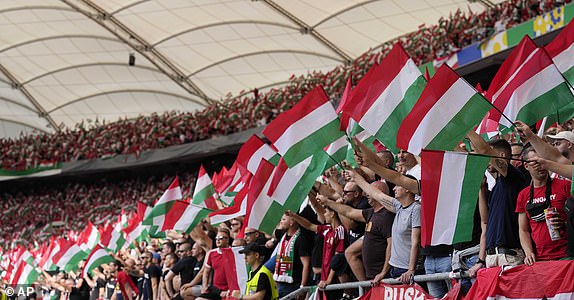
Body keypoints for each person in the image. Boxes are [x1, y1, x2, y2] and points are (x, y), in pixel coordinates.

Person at [346, 168, 420, 284]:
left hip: (406, 271)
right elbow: (376, 193)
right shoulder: (398, 206)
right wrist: (356, 176)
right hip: (395, 269)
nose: (394, 189)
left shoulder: (416, 209)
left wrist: (411, 269)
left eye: (398, 186)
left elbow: (416, 241)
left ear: (407, 189)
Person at [466, 131, 528, 268]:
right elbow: (485, 220)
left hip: (510, 255)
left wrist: (468, 130)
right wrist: (481, 189)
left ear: (501, 156)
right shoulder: (495, 187)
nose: (486, 162)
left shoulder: (513, 177)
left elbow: (484, 150)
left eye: (488, 158)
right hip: (492, 256)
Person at [317, 180, 394, 281]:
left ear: (380, 193)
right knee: (349, 252)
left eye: (369, 191)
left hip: (383, 277)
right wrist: (327, 202)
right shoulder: (371, 212)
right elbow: (349, 212)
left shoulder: (386, 215)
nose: (366, 194)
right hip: (373, 278)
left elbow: (391, 244)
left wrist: (384, 272)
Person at [516, 147, 569, 264]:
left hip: (566, 255)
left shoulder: (565, 186)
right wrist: (528, 253)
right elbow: (523, 229)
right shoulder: (523, 195)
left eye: (542, 160)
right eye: (535, 162)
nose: (540, 165)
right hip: (540, 259)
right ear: (526, 166)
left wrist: (565, 224)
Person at [272, 212, 312, 297]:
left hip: (294, 285)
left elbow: (306, 264)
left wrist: (302, 287)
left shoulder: (301, 239)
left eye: (283, 219)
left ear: (291, 222)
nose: (281, 222)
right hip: (280, 284)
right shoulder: (282, 234)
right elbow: (274, 233)